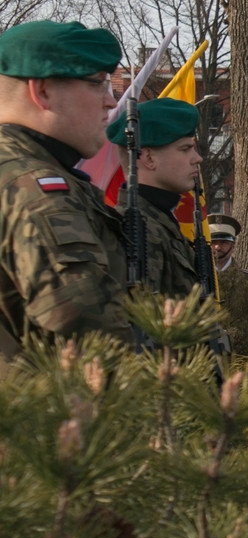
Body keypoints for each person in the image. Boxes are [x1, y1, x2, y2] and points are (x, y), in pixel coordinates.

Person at [0, 20, 133, 371]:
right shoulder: (35, 189)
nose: (110, 101)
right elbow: (92, 335)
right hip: (46, 419)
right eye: (98, 84)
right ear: (42, 91)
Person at [106, 97, 202, 297]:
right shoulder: (136, 231)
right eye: (185, 149)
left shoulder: (159, 222)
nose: (197, 158)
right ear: (148, 158)